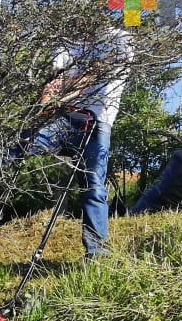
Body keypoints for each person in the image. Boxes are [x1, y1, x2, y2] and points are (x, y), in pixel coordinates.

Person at [10, 26, 133, 259]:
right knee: (21, 144)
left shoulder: (119, 38)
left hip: (97, 121)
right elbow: (56, 81)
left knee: (93, 186)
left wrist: (65, 91)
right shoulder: (67, 41)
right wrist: (45, 102)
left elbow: (98, 70)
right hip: (66, 119)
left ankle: (98, 255)